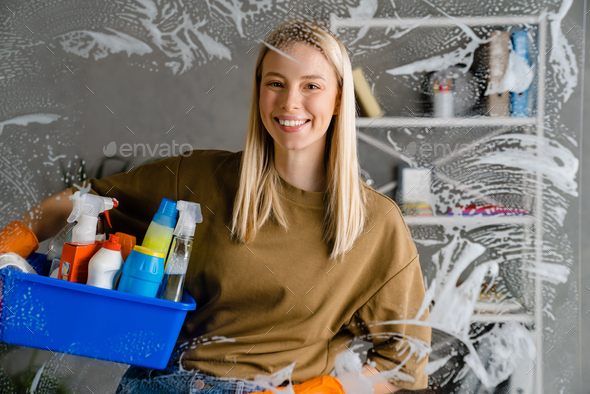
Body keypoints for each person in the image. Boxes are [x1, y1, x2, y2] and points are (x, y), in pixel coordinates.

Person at [13, 19, 431, 394]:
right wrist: (14, 240)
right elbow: (80, 200)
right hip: (163, 385)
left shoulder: (376, 224)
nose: (290, 102)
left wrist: (324, 391)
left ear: (339, 98)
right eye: (275, 83)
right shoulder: (197, 178)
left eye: (312, 86)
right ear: (259, 90)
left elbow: (405, 363)